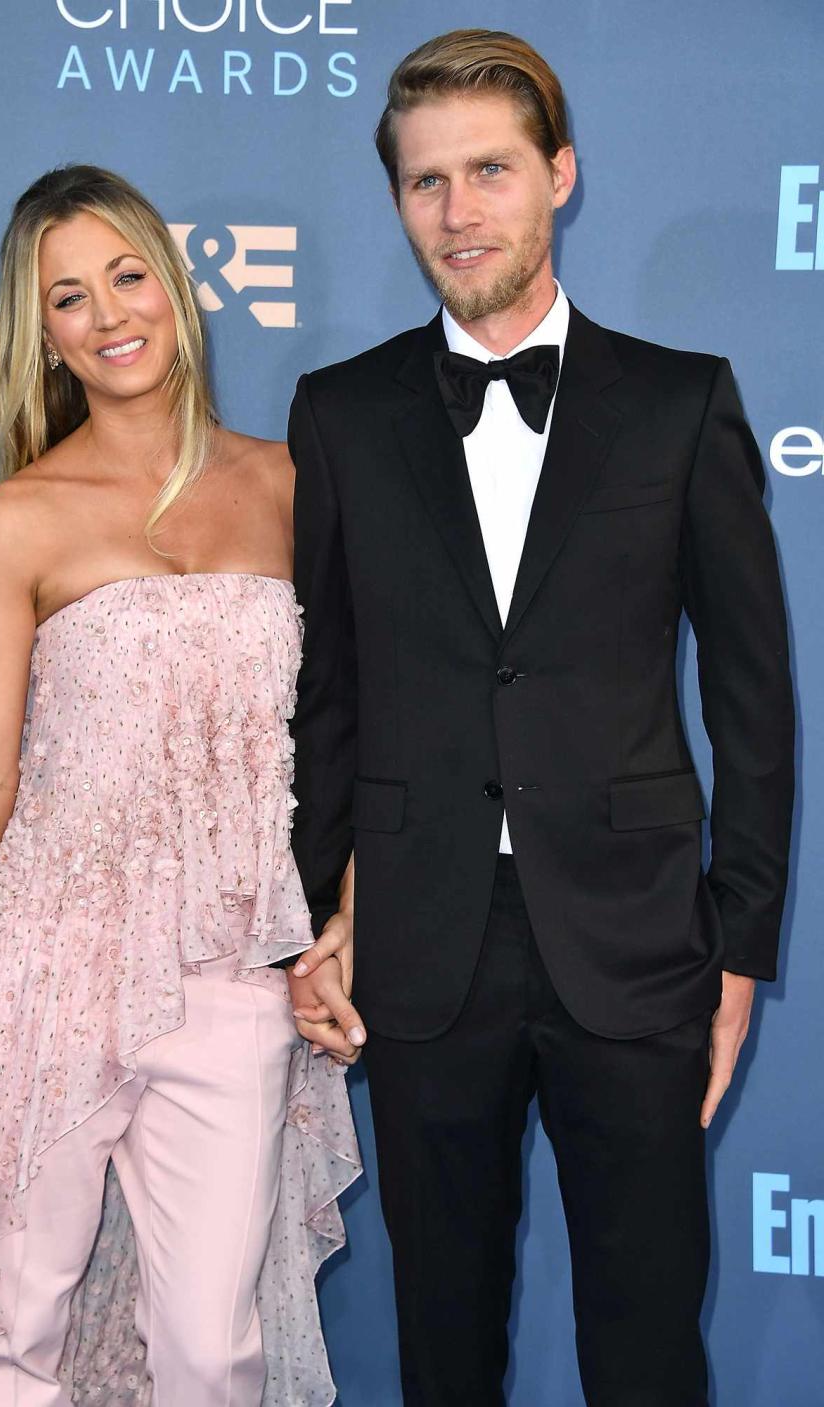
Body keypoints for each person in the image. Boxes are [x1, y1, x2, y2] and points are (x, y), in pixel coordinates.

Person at [285, 28, 794, 1407]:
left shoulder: (681, 403)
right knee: (444, 1336)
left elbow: (755, 694)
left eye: (491, 170)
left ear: (559, 176)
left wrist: (740, 942)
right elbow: (324, 688)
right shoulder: (337, 413)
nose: (459, 212)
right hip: (419, 937)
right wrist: (304, 917)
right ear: (396, 199)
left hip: (636, 939)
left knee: (646, 1338)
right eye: (426, 181)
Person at [0, 163, 360, 1407]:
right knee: (13, 1326)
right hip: (42, 963)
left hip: (229, 971)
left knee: (215, 1348)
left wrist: (343, 914)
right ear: (44, 338)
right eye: (70, 299)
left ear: (179, 285)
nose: (109, 315)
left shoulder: (295, 487)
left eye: (127, 275)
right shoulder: (18, 522)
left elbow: (348, 732)